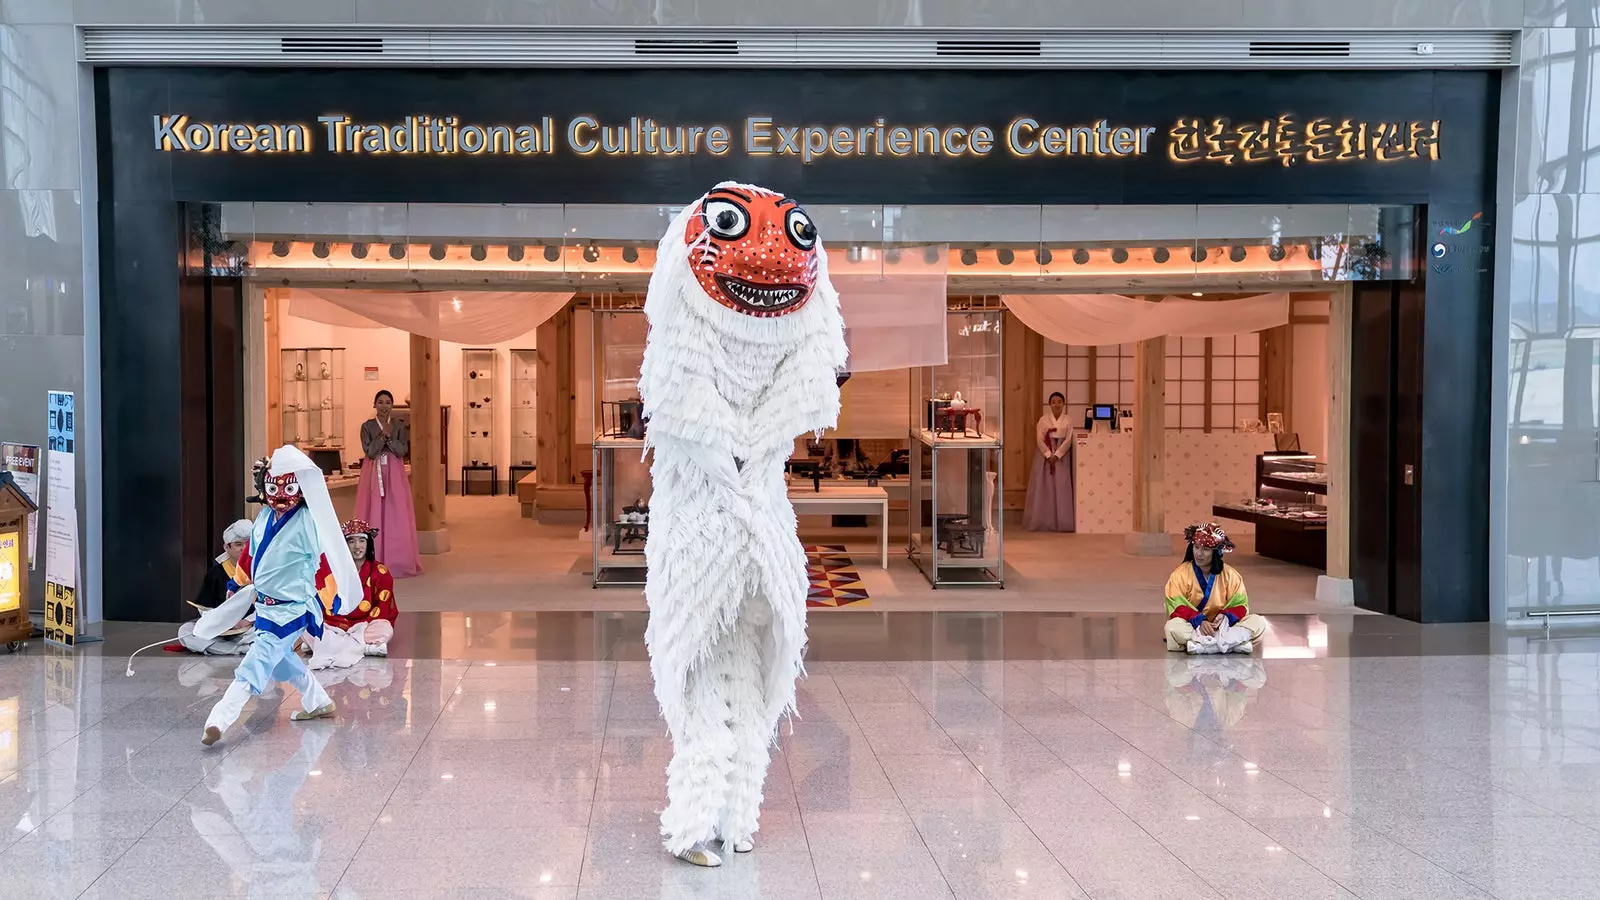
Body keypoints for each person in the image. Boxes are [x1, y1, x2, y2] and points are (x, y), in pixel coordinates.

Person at [639, 183, 847, 868]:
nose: (767, 253)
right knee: (702, 676)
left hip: (762, 541)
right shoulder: (678, 357)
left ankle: (737, 816)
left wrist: (753, 466)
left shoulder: (800, 354)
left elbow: (804, 390)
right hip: (701, 538)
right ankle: (694, 821)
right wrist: (737, 474)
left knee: (757, 682)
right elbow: (681, 413)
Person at [200, 445, 364, 746]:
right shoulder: (263, 517)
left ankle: (218, 719)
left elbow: (327, 560)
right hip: (264, 607)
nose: (280, 494)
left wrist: (338, 595)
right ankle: (318, 701)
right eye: (273, 485)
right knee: (281, 659)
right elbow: (251, 555)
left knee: (255, 665)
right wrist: (236, 587)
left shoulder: (309, 522)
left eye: (288, 486)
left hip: (292, 610)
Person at [309, 518, 399, 669]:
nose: (357, 547)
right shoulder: (332, 572)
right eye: (351, 541)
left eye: (361, 541)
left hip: (367, 624)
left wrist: (360, 627)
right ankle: (367, 647)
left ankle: (326, 645)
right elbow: (324, 601)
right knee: (306, 625)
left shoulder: (380, 572)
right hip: (334, 623)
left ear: (368, 543)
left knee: (384, 629)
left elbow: (383, 608)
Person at [1163, 523, 1268, 652]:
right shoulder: (1180, 574)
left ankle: (1203, 646)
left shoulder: (1231, 575)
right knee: (1172, 627)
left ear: (1216, 552)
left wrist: (1225, 617)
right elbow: (1175, 605)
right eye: (1196, 547)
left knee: (1258, 622)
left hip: (1224, 628)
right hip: (1194, 627)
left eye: (1205, 549)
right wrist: (1199, 621)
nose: (1199, 553)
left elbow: (1241, 605)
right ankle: (1229, 645)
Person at [354, 389, 421, 578]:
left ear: (392, 405)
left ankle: (397, 560)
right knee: (373, 509)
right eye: (380, 402)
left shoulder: (399, 426)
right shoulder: (366, 426)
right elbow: (370, 452)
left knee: (395, 511)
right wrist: (382, 436)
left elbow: (402, 451)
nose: (384, 406)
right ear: (374, 405)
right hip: (373, 471)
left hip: (393, 471)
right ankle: (372, 559)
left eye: (388, 403)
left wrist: (389, 438)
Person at [1023, 391, 1076, 532]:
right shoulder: (1043, 420)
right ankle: (1042, 521)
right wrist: (1048, 454)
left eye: (1059, 402)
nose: (1056, 404)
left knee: (1061, 486)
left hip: (1061, 456)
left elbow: (1069, 440)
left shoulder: (1068, 420)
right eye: (1053, 402)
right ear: (1049, 405)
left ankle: (1063, 522)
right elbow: (1039, 439)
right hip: (1045, 455)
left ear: (1063, 404)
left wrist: (1058, 454)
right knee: (1043, 487)